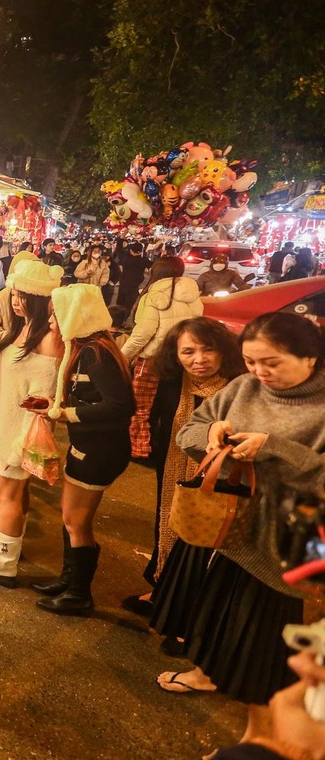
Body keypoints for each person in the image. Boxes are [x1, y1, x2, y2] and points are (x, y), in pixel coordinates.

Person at [156, 313, 325, 750]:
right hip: (229, 526)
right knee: (221, 627)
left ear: (310, 358)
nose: (259, 373)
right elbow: (188, 434)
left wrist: (274, 448)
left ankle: (260, 744)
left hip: (287, 545)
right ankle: (220, 691)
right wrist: (209, 432)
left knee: (266, 651)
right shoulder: (243, 387)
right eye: (250, 361)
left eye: (271, 363)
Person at [124, 318, 246, 638]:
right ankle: (162, 587)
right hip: (172, 464)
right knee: (168, 520)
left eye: (208, 350)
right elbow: (153, 417)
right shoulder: (172, 378)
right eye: (188, 351)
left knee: (203, 537)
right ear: (175, 354)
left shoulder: (239, 384)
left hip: (222, 473)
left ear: (224, 351)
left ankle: (192, 611)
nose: (198, 359)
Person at [27, 284, 136, 614]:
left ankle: (79, 594)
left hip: (99, 451)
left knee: (76, 521)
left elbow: (120, 406)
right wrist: (52, 404)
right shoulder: (87, 348)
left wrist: (64, 412)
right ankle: (69, 579)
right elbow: (89, 397)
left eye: (55, 317)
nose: (51, 325)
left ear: (74, 316)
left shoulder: (96, 354)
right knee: (72, 519)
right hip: (88, 446)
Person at [0, 261, 64, 587]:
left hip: (23, 427)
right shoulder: (25, 327)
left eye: (23, 296)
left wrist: (24, 431)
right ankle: (3, 546)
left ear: (39, 298)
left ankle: (3, 563)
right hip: (8, 420)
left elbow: (45, 391)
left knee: (6, 491)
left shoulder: (49, 336)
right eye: (14, 294)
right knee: (10, 492)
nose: (15, 301)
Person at [121, 256, 203, 459]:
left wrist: (123, 355)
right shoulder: (192, 294)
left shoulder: (154, 294)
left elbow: (143, 333)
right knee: (171, 407)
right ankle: (166, 449)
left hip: (153, 360)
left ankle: (138, 449)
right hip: (180, 360)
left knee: (140, 406)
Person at [0, 251, 42, 479]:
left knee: (18, 415)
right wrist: (17, 341)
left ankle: (15, 454)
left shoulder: (39, 302)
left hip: (23, 374)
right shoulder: (2, 298)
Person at [116, 242, 150, 313]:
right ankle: (124, 320)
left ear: (131, 250)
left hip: (123, 283)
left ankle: (116, 318)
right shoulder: (143, 260)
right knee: (128, 305)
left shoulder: (126, 258)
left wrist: (122, 238)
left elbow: (119, 249)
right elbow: (154, 264)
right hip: (134, 285)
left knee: (119, 303)